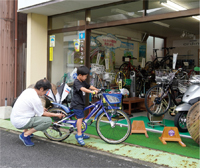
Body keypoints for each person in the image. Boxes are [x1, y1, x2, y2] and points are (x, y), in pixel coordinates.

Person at [10, 79, 64, 147]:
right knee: (48, 121)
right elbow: (42, 114)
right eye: (46, 91)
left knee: (29, 114)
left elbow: (29, 106)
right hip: (20, 122)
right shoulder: (35, 98)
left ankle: (25, 132)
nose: (45, 93)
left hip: (15, 118)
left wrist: (41, 109)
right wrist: (56, 115)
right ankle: (26, 135)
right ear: (41, 89)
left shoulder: (28, 90)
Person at [71, 66, 99, 145]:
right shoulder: (76, 82)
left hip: (81, 103)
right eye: (85, 76)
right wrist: (91, 92)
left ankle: (81, 133)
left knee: (82, 118)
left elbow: (89, 86)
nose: (86, 78)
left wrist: (96, 89)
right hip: (77, 103)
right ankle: (79, 135)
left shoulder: (82, 81)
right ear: (80, 75)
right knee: (80, 118)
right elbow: (83, 89)